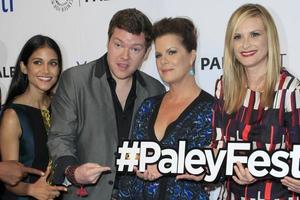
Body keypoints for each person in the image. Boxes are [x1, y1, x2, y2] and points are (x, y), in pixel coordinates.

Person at [47, 8, 165, 200]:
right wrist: (73, 171)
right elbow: (60, 138)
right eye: (118, 45)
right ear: (108, 42)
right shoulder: (75, 80)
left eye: (135, 49)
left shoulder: (155, 90)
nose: (125, 56)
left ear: (146, 53)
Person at [118, 17, 214, 199]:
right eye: (159, 55)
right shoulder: (148, 106)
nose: (163, 61)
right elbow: (129, 162)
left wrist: (168, 164)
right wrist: (136, 164)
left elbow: (215, 170)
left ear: (192, 56)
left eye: (171, 52)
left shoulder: (212, 110)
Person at [212, 3, 300, 199]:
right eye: (238, 37)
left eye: (255, 34)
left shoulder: (290, 90)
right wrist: (200, 169)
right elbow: (217, 147)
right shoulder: (224, 87)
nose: (245, 44)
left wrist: (262, 171)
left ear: (270, 39)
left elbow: (298, 159)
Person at [0, 35, 67, 199]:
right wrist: (31, 190)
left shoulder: (62, 105)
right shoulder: (12, 115)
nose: (46, 70)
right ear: (24, 67)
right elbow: (9, 178)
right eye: (38, 62)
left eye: (53, 63)